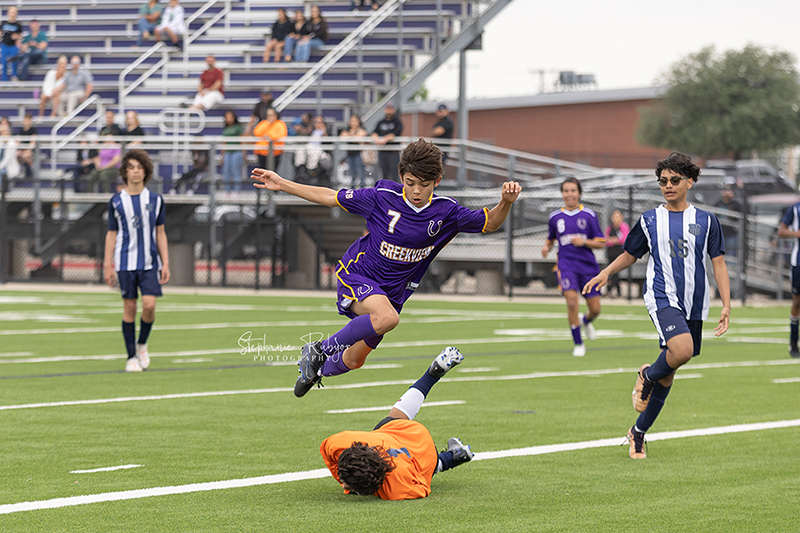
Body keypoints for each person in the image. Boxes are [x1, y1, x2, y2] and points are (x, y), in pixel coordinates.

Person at [250, 138, 521, 398]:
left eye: (424, 185)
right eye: (410, 182)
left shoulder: (446, 212)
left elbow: (490, 223)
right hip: (357, 275)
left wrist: (506, 202)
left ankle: (315, 371)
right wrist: (282, 183)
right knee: (388, 319)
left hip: (393, 294)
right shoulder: (382, 196)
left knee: (355, 359)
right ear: (401, 175)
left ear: (436, 182)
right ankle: (318, 350)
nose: (416, 190)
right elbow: (331, 196)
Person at [583, 152, 731, 459]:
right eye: (663, 181)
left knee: (671, 371)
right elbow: (631, 253)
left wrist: (726, 305)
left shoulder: (706, 220)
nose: (668, 186)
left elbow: (718, 263)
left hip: (695, 303)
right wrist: (606, 272)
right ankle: (647, 375)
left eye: (675, 180)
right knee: (682, 351)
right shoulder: (650, 219)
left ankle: (637, 433)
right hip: (662, 296)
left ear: (690, 182)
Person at [321, 346, 473, 500]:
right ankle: (431, 376)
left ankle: (450, 458)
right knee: (392, 419)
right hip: (406, 432)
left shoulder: (396, 488)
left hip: (425, 450)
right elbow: (333, 458)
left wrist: (353, 487)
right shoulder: (339, 442)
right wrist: (345, 479)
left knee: (424, 469)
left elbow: (422, 488)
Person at [103, 149, 170, 373]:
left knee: (149, 306)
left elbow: (160, 232)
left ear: (146, 171)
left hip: (150, 263)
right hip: (125, 262)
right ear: (124, 172)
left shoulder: (155, 200)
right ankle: (131, 356)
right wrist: (107, 264)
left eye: (139, 168)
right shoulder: (117, 201)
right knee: (130, 307)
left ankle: (142, 345)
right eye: (131, 167)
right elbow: (111, 234)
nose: (135, 172)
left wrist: (166, 263)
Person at [541, 177, 604, 357]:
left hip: (587, 266)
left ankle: (586, 321)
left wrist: (584, 241)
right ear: (562, 194)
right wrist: (546, 247)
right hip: (566, 264)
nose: (569, 194)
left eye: (573, 190)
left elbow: (601, 243)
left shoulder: (589, 215)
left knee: (596, 309)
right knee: (571, 302)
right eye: (566, 191)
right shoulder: (555, 217)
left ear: (579, 193)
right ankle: (578, 343)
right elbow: (551, 239)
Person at [776, 202, 800, 359]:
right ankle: (793, 342)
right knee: (797, 302)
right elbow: (781, 231)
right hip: (799, 262)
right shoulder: (795, 209)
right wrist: (796, 234)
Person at [371, 102, 403, 181]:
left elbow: (394, 134)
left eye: (391, 109)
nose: (389, 111)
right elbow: (374, 132)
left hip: (393, 152)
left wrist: (384, 140)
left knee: (394, 174)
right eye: (387, 109)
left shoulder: (397, 122)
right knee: (384, 173)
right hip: (382, 151)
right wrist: (377, 139)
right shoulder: (381, 122)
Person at [603, 210, 629, 297]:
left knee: (615, 271)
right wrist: (614, 240)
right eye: (614, 217)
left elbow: (625, 239)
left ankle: (609, 290)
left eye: (618, 217)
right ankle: (618, 292)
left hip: (619, 252)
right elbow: (606, 240)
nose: (616, 219)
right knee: (612, 271)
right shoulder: (610, 228)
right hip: (611, 252)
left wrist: (615, 240)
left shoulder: (624, 227)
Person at [253, 106, 287, 171]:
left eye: (271, 115)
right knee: (262, 171)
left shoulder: (280, 124)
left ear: (276, 115)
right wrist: (267, 124)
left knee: (273, 171)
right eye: (268, 115)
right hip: (262, 152)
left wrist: (269, 136)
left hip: (275, 152)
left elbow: (281, 135)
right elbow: (257, 132)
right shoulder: (264, 123)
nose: (269, 117)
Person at [340, 114, 368, 188]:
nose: (352, 123)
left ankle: (362, 188)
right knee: (352, 173)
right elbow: (342, 137)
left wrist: (349, 136)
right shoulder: (347, 130)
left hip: (359, 154)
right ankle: (353, 189)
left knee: (361, 172)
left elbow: (360, 137)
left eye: (354, 121)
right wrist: (353, 135)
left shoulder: (362, 130)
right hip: (350, 154)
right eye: (351, 121)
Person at [715, 185, 742, 258]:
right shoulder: (718, 204)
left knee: (731, 254)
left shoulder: (736, 205)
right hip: (720, 234)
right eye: (725, 191)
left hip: (731, 233)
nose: (727, 193)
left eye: (729, 191)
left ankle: (731, 268)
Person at [221, 109, 243, 192]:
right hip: (228, 152)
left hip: (236, 152)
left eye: (230, 117)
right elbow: (224, 142)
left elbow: (242, 140)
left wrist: (243, 152)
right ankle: (226, 191)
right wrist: (222, 155)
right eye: (227, 117)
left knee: (236, 171)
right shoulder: (225, 129)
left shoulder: (238, 128)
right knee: (226, 172)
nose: (228, 119)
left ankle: (237, 191)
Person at [0, 117, 22, 186]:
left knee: (1, 171)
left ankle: (1, 189)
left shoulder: (12, 144)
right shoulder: (1, 143)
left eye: (3, 132)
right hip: (2, 166)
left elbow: (7, 160)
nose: (2, 135)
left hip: (8, 167)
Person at [1, 6, 22, 82]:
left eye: (14, 12)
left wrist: (17, 36)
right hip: (4, 45)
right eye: (11, 12)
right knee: (4, 62)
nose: (12, 13)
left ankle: (14, 76)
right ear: (8, 13)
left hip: (13, 46)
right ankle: (4, 79)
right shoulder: (4, 23)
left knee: (14, 61)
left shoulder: (18, 25)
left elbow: (20, 36)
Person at [15, 112, 37, 177]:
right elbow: (18, 141)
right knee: (17, 154)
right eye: (25, 120)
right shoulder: (21, 131)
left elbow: (33, 142)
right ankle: (21, 168)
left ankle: (33, 167)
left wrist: (28, 150)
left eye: (28, 120)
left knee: (25, 155)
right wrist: (18, 149)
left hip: (30, 150)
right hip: (22, 149)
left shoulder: (33, 130)